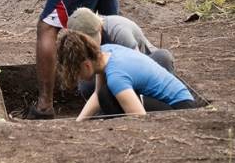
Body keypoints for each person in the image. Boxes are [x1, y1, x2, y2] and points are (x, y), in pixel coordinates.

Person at [56, 29, 199, 120]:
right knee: (104, 94)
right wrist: (79, 122)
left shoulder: (116, 77)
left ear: (86, 65)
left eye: (76, 72)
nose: (78, 78)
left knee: (108, 96)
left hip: (181, 109)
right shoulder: (105, 52)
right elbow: (97, 93)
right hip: (172, 100)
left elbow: (140, 118)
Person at [67, 7, 175, 99]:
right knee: (86, 85)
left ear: (99, 28)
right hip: (114, 71)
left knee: (163, 56)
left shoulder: (119, 31)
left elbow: (136, 67)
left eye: (92, 39)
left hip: (144, 65)